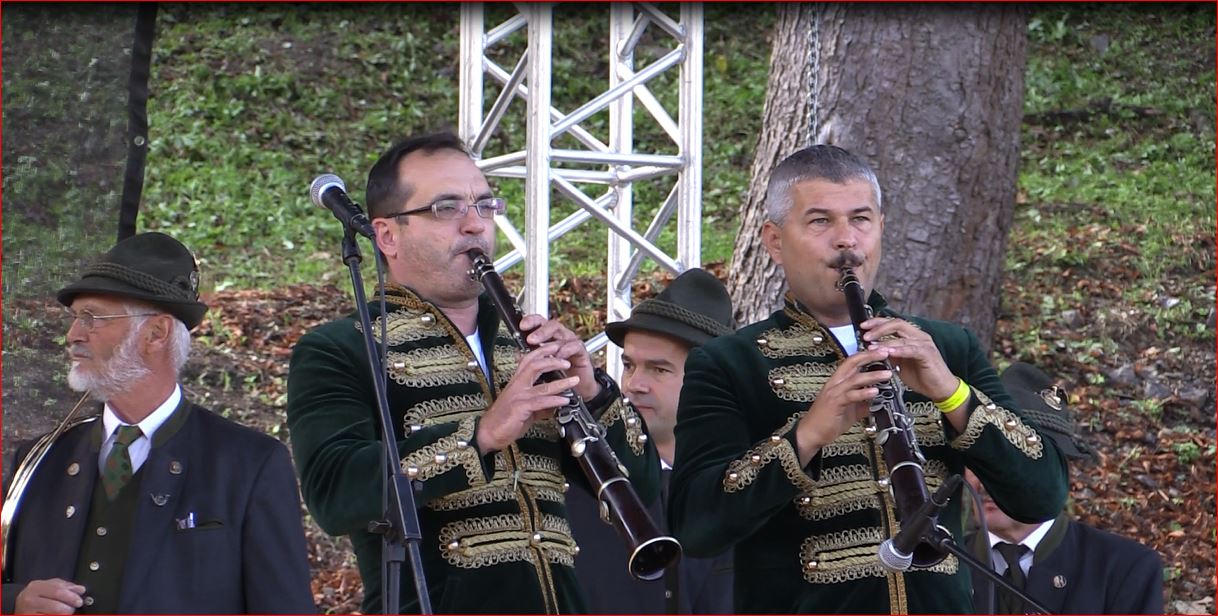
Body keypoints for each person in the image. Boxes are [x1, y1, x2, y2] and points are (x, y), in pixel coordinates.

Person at [667, 144, 1070, 613]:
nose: (846, 240)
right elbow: (695, 526)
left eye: (860, 219)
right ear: (775, 242)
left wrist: (951, 392)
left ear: (880, 227)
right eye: (820, 221)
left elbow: (1042, 495)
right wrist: (807, 436)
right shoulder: (729, 363)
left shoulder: (949, 348)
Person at [286, 132, 660, 614]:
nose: (474, 224)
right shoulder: (341, 349)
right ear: (387, 235)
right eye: (446, 208)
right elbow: (334, 493)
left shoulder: (522, 346)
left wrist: (592, 393)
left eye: (485, 205)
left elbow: (643, 487)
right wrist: (481, 434)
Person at [1, 232, 315, 614]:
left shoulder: (250, 464)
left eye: (92, 318)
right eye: (74, 318)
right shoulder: (38, 460)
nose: (73, 335)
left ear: (156, 333)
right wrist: (14, 602)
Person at [566, 268, 735, 614]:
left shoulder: (751, 480)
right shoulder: (585, 482)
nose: (634, 384)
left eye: (659, 369)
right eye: (629, 365)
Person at [966, 362, 1164, 614]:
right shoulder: (936, 566)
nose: (986, 480)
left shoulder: (1124, 570)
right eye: (978, 460)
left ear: (1055, 471)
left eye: (1010, 460)